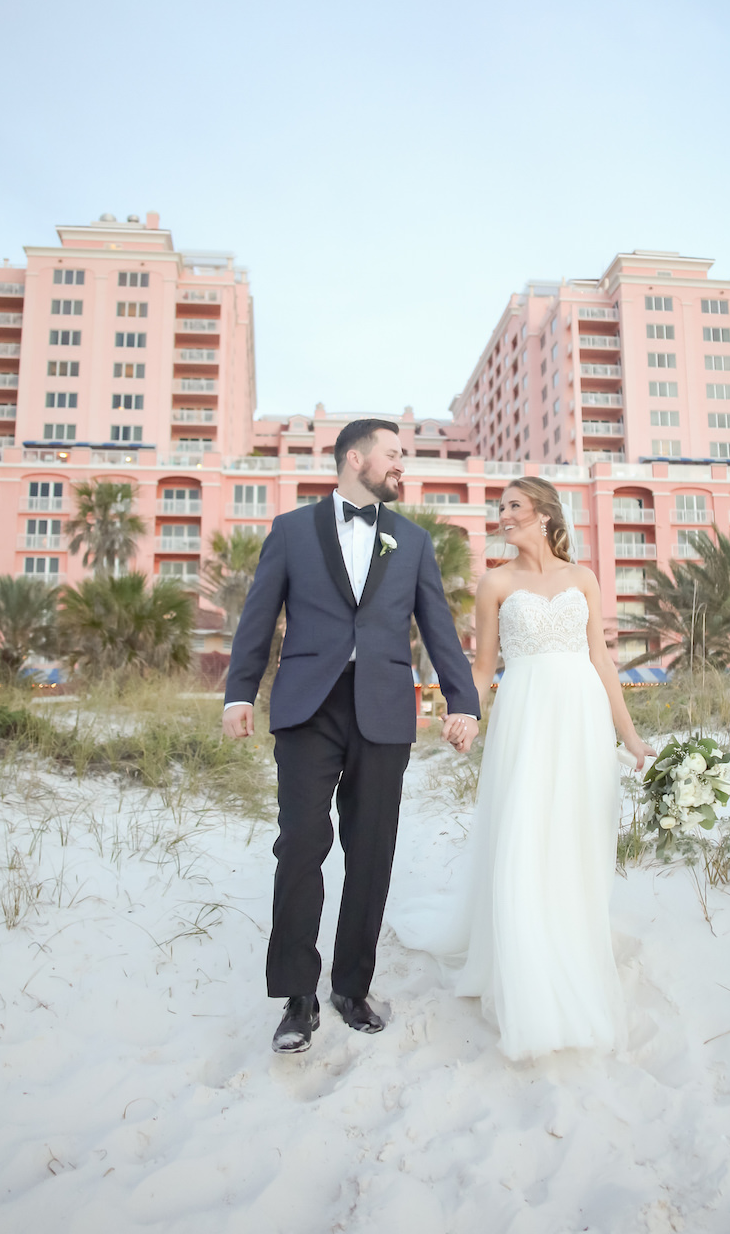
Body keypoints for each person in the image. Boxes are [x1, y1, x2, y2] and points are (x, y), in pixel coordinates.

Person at [221, 419, 481, 1054]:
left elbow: (438, 627)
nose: (403, 465)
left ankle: (351, 986)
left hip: (385, 709)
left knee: (371, 851)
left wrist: (463, 700)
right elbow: (259, 615)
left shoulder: (413, 541)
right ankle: (297, 996)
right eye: (394, 455)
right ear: (355, 458)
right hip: (308, 708)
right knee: (301, 846)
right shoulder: (289, 531)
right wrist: (238, 691)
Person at [394, 476, 655, 1061]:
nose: (503, 514)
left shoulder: (582, 579)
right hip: (525, 716)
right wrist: (465, 714)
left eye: (513, 506)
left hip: (582, 716)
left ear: (542, 514)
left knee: (575, 829)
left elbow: (603, 663)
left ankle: (570, 930)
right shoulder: (496, 582)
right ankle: (523, 951)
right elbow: (484, 667)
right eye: (501, 507)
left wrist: (632, 738)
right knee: (523, 829)